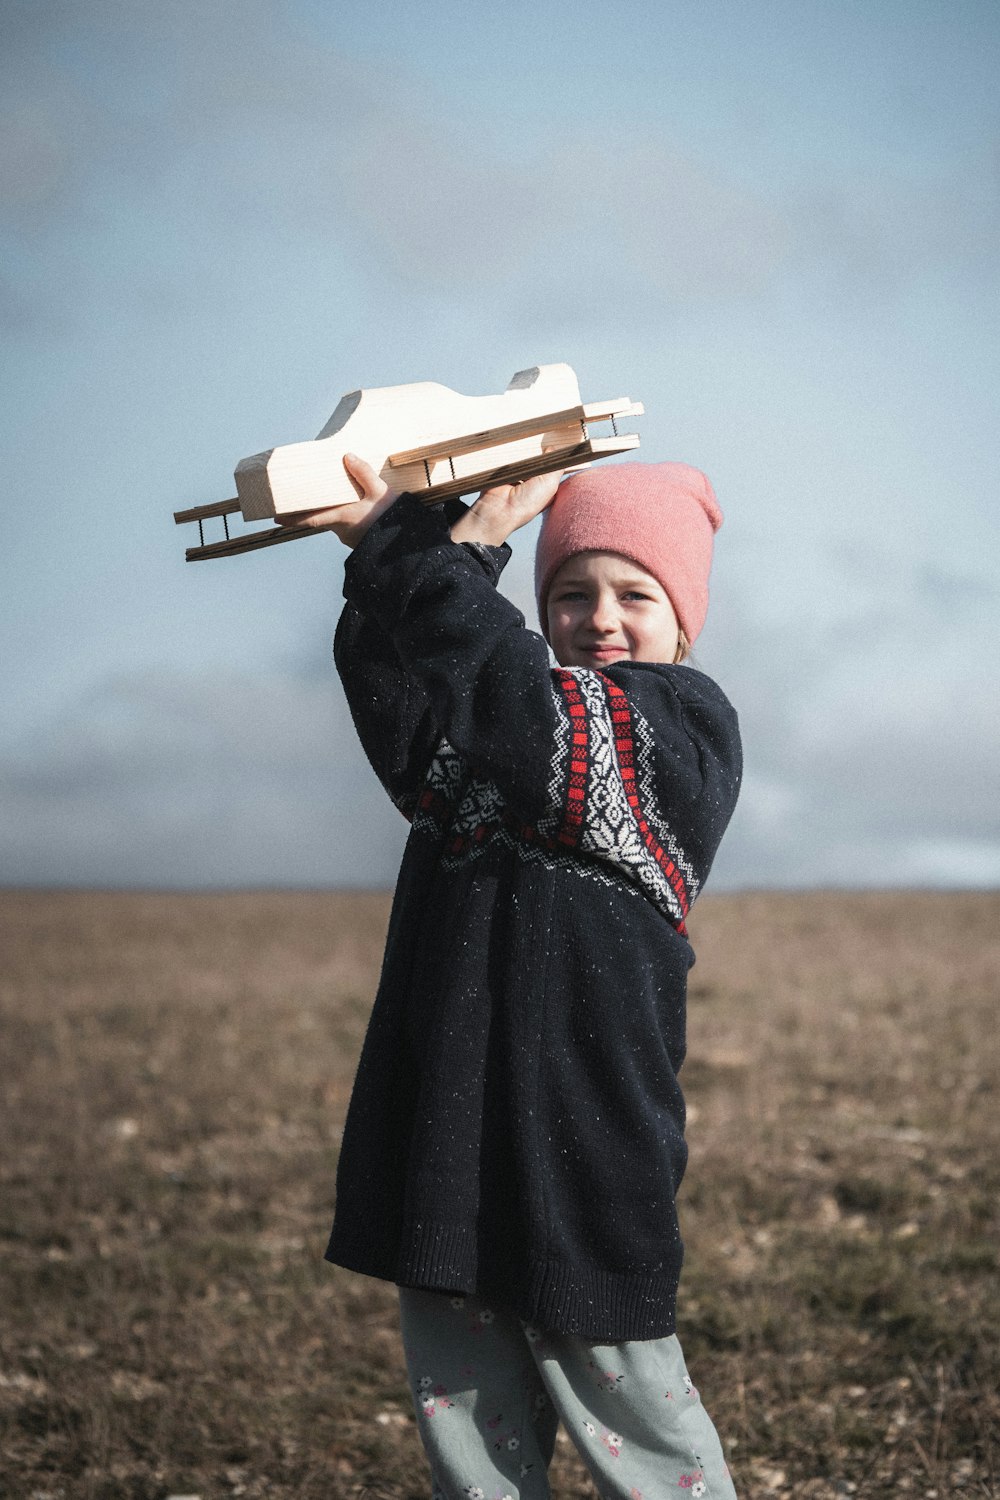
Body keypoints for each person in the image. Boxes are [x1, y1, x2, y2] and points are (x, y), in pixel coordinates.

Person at [283, 450, 743, 1499]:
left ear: (685, 620)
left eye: (636, 593)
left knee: (640, 1422)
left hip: (588, 1155)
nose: (601, 616)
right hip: (448, 1140)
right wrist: (446, 547)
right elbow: (403, 685)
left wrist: (421, 556)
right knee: (469, 1437)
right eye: (570, 592)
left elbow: (518, 708)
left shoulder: (674, 733)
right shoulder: (494, 728)